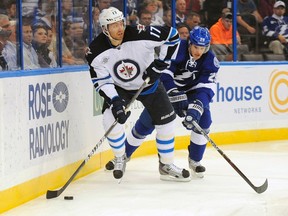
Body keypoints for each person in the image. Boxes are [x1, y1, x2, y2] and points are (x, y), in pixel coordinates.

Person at [86, 7, 190, 181]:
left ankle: (166, 165)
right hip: (121, 88)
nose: (120, 28)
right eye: (114, 25)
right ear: (105, 29)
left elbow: (172, 36)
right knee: (109, 119)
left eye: (121, 23)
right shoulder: (95, 50)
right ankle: (120, 157)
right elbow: (101, 80)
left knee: (167, 123)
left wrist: (160, 63)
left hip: (149, 84)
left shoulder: (140, 33)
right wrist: (115, 101)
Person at [105, 26, 220, 178]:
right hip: (168, 90)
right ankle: (124, 155)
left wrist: (198, 105)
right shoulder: (177, 48)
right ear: (190, 43)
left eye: (203, 48)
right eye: (196, 47)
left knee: (204, 120)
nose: (199, 52)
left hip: (193, 93)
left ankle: (195, 160)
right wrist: (173, 93)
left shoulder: (211, 60)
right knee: (146, 122)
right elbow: (164, 73)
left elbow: (207, 86)